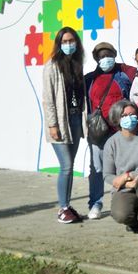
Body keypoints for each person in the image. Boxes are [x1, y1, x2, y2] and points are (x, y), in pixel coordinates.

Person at [85, 42, 136, 220]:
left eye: (109, 55)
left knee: (123, 167)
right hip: (98, 131)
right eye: (101, 56)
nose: (105, 59)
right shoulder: (89, 79)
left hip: (120, 130)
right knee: (97, 168)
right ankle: (96, 203)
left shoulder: (123, 75)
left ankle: (120, 201)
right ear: (96, 59)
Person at [43, 27, 86, 224]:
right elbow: (48, 99)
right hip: (60, 123)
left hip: (75, 120)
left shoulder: (77, 65)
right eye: (65, 41)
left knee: (71, 166)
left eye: (72, 41)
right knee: (66, 166)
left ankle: (67, 206)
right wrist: (52, 124)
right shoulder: (52, 66)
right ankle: (62, 208)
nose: (69, 45)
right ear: (59, 44)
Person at [103, 100, 138, 238]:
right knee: (120, 215)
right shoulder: (111, 143)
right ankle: (132, 221)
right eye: (124, 115)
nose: (129, 118)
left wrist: (129, 175)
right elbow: (107, 175)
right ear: (117, 119)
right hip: (124, 187)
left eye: (132, 114)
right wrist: (126, 182)